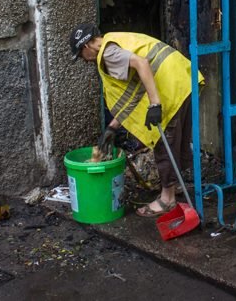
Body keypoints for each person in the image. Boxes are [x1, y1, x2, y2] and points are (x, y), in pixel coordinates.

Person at [69, 23, 204, 217]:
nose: (84, 61)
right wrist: (113, 127)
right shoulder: (113, 40)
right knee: (177, 140)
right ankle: (175, 186)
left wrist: (155, 104)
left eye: (80, 55)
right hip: (181, 80)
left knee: (164, 142)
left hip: (170, 89)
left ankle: (168, 199)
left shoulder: (107, 54)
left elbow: (142, 63)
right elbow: (132, 92)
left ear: (86, 47)